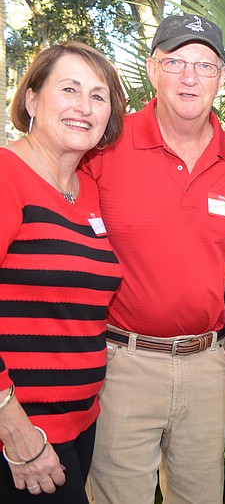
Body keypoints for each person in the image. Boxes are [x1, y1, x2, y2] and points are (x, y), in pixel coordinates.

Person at [83, 15, 225, 503]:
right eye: (175, 62)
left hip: (209, 366)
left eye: (204, 65)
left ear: (221, 78)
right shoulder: (105, 145)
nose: (189, 77)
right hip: (124, 365)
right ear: (152, 69)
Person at [0, 42, 125, 501]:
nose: (84, 106)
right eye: (69, 89)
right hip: (21, 438)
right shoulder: (6, 175)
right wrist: (14, 431)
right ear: (31, 99)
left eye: (98, 96)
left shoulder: (87, 190)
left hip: (78, 424)